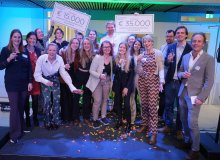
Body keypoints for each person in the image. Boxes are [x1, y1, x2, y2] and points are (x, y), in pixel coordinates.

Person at [177, 32, 215, 160]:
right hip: (183, 93)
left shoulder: (209, 59)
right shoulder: (186, 56)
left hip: (196, 96)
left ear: (203, 43)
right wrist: (182, 75)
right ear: (190, 42)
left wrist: (202, 97)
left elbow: (209, 81)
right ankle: (187, 140)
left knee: (192, 122)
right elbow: (179, 72)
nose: (196, 43)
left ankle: (195, 149)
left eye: (199, 41)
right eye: (194, 41)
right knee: (183, 119)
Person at [34, 43, 82, 130]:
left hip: (55, 79)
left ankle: (55, 121)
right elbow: (36, 75)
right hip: (44, 79)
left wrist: (72, 87)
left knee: (56, 101)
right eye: (50, 50)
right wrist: (45, 81)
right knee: (47, 101)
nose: (52, 52)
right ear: (47, 50)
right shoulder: (41, 58)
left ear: (57, 51)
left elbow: (63, 73)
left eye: (54, 50)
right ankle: (47, 122)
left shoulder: (59, 59)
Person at [159, 26, 192, 140]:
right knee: (168, 104)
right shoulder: (171, 46)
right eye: (178, 33)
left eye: (182, 33)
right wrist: (168, 60)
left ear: (186, 35)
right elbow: (167, 64)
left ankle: (179, 129)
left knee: (180, 107)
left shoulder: (190, 48)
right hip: (170, 81)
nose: (180, 35)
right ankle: (168, 125)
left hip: (182, 82)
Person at [0, 29, 32, 143]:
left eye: (19, 37)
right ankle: (14, 135)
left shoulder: (25, 51)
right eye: (15, 37)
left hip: (23, 84)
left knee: (20, 107)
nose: (17, 39)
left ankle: (21, 129)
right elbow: (1, 66)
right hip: (11, 84)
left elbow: (29, 68)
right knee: (14, 109)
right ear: (11, 38)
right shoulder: (5, 50)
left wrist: (30, 82)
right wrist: (9, 59)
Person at [136, 35, 164, 145]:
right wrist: (137, 61)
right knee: (144, 105)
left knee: (152, 107)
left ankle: (154, 133)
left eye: (148, 41)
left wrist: (161, 81)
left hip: (153, 81)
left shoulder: (158, 53)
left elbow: (161, 68)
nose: (146, 43)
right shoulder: (142, 54)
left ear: (152, 42)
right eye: (144, 41)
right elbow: (137, 69)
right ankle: (145, 124)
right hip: (142, 82)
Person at [86, 40, 113, 129]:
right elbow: (91, 71)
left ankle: (103, 117)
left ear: (111, 48)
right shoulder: (97, 57)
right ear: (102, 48)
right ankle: (95, 119)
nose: (107, 49)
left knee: (105, 100)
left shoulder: (112, 58)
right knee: (97, 101)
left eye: (108, 47)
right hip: (96, 81)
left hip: (107, 81)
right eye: (105, 47)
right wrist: (99, 75)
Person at [112, 42, 135, 133]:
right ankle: (119, 120)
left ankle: (129, 123)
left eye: (124, 47)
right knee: (117, 103)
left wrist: (126, 87)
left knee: (126, 104)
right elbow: (114, 72)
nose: (122, 49)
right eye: (120, 47)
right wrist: (118, 65)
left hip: (127, 85)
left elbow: (132, 75)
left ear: (126, 49)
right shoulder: (115, 58)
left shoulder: (130, 59)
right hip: (117, 84)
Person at [72, 37, 94, 126]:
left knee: (87, 99)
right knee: (76, 98)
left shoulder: (94, 54)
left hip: (89, 77)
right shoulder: (78, 53)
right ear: (82, 45)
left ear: (91, 44)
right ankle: (76, 118)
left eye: (88, 43)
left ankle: (86, 117)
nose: (86, 45)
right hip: (78, 76)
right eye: (85, 44)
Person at [59, 38, 80, 123]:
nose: (75, 44)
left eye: (77, 43)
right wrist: (64, 66)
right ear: (70, 43)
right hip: (64, 78)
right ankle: (65, 117)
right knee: (65, 98)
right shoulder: (63, 52)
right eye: (73, 43)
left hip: (75, 78)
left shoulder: (79, 54)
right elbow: (58, 65)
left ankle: (72, 116)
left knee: (73, 98)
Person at [24, 31, 42, 128]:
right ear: (27, 39)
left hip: (36, 79)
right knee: (26, 100)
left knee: (35, 100)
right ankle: (27, 118)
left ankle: (34, 118)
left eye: (34, 39)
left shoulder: (38, 50)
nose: (32, 40)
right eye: (30, 38)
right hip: (26, 79)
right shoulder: (22, 50)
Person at [158, 29, 175, 121]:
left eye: (170, 36)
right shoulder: (162, 47)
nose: (168, 38)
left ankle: (167, 118)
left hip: (171, 78)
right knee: (162, 97)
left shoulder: (175, 47)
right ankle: (160, 115)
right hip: (162, 76)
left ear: (174, 37)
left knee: (168, 99)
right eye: (167, 36)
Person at [129, 39, 142, 129]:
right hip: (132, 78)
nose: (136, 45)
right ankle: (132, 120)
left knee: (142, 100)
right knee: (132, 99)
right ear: (133, 45)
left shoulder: (143, 55)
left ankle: (144, 120)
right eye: (135, 44)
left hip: (141, 79)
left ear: (141, 46)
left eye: (138, 44)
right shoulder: (129, 55)